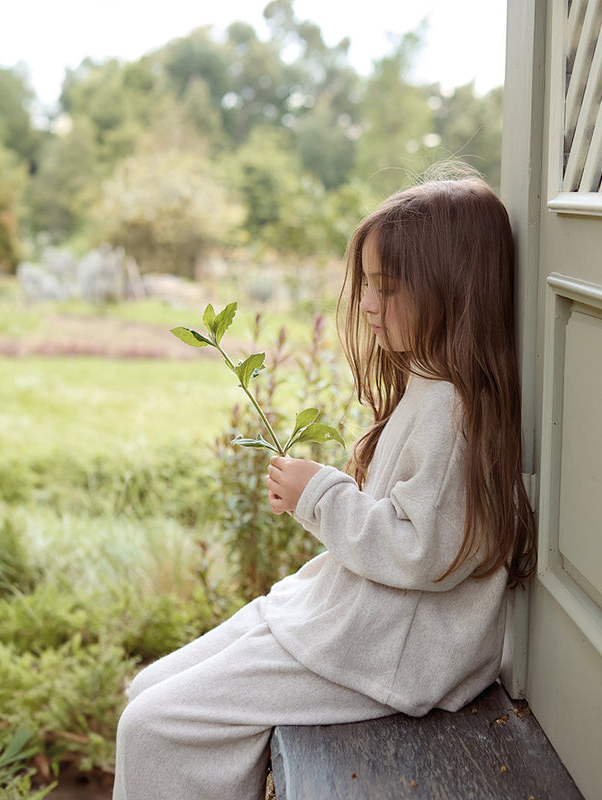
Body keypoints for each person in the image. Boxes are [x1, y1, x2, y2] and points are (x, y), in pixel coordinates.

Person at [112, 172, 537, 800]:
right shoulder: (433, 384)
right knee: (147, 691)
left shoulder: (452, 413)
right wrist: (321, 498)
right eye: (366, 283)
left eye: (388, 288)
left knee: (153, 726)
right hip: (370, 626)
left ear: (454, 290)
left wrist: (321, 494)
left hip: (394, 657)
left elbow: (422, 551)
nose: (367, 303)